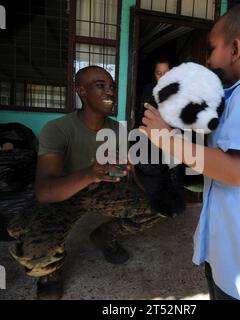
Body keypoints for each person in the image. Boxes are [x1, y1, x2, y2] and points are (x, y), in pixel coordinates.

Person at [139, 1, 240, 300]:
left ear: (234, 49)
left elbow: (235, 171)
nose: (208, 60)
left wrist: (168, 140)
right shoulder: (236, 97)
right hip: (229, 255)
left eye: (211, 49)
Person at [7, 66, 163, 300]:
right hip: (64, 193)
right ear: (81, 91)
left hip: (103, 191)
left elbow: (127, 172)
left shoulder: (117, 130)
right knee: (32, 247)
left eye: (111, 86)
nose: (110, 92)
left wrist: (141, 176)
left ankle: (105, 235)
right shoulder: (58, 129)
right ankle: (50, 273)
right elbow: (45, 191)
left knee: (161, 203)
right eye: (100, 85)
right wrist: (91, 173)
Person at [135, 58, 171, 127]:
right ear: (154, 74)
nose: (163, 77)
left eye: (166, 73)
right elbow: (141, 114)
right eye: (159, 73)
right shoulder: (148, 90)